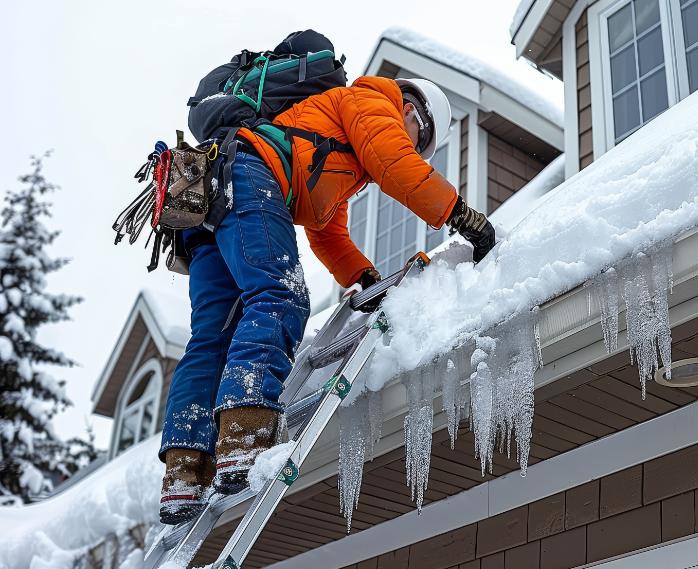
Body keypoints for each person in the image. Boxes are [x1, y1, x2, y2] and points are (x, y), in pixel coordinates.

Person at [158, 73, 495, 524]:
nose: (412, 147)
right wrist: (461, 215)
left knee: (213, 337)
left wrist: (365, 278)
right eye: (420, 141)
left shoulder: (333, 148)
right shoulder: (372, 101)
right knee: (279, 296)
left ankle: (185, 471)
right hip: (247, 173)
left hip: (211, 195)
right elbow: (395, 161)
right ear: (413, 113)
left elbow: (327, 233)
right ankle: (241, 439)